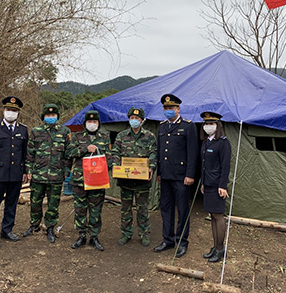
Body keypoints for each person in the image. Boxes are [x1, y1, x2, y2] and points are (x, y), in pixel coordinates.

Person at [0, 96, 29, 248]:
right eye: (8, 110)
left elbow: (25, 153)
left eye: (14, 110)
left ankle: (7, 230)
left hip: (16, 173)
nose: (11, 113)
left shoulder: (23, 130)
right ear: (3, 110)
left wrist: (26, 171)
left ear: (18, 113)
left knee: (11, 204)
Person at [153, 94, 198, 258]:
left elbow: (192, 153)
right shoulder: (162, 127)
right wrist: (159, 173)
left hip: (181, 177)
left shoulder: (188, 126)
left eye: (171, 108)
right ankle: (168, 240)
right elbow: (160, 152)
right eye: (165, 108)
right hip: (165, 176)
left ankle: (181, 241)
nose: (168, 111)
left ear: (178, 109)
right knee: (166, 210)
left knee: (183, 210)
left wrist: (190, 174)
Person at [23, 104, 71, 243]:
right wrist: (29, 170)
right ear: (43, 117)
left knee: (53, 203)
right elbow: (30, 153)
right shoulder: (36, 131)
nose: (51, 117)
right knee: (35, 202)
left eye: (53, 115)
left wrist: (67, 171)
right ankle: (34, 225)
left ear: (57, 116)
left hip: (56, 175)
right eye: (48, 115)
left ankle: (50, 227)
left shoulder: (64, 131)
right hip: (38, 174)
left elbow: (68, 154)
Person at [65, 110, 111, 251]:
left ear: (98, 123)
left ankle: (94, 237)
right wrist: (85, 148)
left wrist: (103, 170)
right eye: (89, 122)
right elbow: (69, 152)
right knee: (80, 209)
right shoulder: (77, 136)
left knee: (96, 209)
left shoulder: (104, 137)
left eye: (95, 122)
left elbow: (109, 156)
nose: (92, 124)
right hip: (80, 180)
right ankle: (81, 235)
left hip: (97, 180)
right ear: (85, 123)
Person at [111, 107, 157, 247]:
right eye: (132, 118)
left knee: (142, 208)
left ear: (142, 121)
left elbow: (154, 153)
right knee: (125, 208)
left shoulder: (149, 136)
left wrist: (151, 167)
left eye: (137, 119)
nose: (134, 121)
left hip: (142, 181)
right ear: (129, 119)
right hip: (125, 180)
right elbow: (116, 153)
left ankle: (144, 234)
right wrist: (115, 166)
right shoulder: (121, 135)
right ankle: (126, 233)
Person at [200, 111, 231, 263]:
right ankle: (215, 246)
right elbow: (204, 166)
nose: (208, 126)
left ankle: (220, 249)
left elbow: (225, 166)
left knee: (218, 216)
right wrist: (203, 183)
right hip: (208, 185)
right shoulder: (206, 142)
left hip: (218, 185)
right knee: (212, 216)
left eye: (211, 124)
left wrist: (223, 186)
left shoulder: (223, 142)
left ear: (217, 125)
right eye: (206, 124)